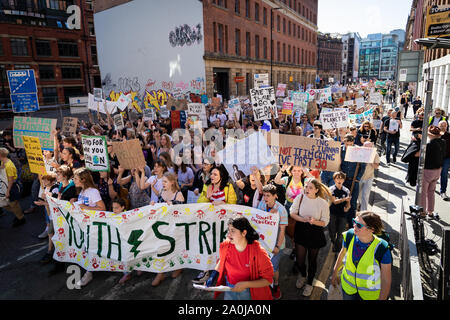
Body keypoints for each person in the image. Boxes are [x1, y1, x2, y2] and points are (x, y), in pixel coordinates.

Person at [207, 216, 274, 300]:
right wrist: (213, 275)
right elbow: (223, 260)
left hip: (250, 293)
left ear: (244, 233)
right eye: (229, 230)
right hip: (229, 288)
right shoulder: (225, 245)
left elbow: (268, 280)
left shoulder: (259, 253)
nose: (229, 234)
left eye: (233, 231)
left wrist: (245, 284)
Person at [331, 212, 392, 300]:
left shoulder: (382, 248)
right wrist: (334, 274)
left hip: (369, 295)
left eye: (359, 225)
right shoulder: (349, 235)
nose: (354, 226)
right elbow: (341, 255)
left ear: (371, 229)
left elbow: (386, 280)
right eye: (354, 222)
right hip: (348, 289)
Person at [193, 164, 237, 283]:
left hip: (224, 224)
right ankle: (206, 271)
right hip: (210, 222)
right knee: (209, 245)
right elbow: (200, 203)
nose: (212, 176)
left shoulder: (228, 187)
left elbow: (233, 203)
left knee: (224, 246)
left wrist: (223, 203)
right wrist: (207, 197)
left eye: (215, 174)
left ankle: (225, 271)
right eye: (211, 174)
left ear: (221, 177)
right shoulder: (207, 186)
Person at [289, 179, 331, 297]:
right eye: (306, 187)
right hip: (301, 230)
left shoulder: (323, 203)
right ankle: (303, 275)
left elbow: (325, 222)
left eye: (310, 187)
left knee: (312, 261)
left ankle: (309, 283)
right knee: (300, 260)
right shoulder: (300, 198)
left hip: (315, 233)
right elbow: (292, 213)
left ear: (317, 190)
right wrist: (304, 220)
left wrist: (314, 221)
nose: (307, 189)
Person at [72, 167, 106, 287]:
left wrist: (84, 208)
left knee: (91, 248)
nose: (73, 180)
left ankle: (89, 273)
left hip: (94, 226)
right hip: (85, 225)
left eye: (75, 178)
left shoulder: (93, 191)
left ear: (83, 179)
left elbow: (102, 208)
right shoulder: (82, 192)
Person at [149, 172, 184, 286]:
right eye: (162, 181)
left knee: (175, 248)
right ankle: (160, 273)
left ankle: (178, 267)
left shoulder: (178, 195)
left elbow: (184, 212)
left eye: (165, 181)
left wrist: (173, 204)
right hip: (162, 226)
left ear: (172, 182)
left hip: (175, 227)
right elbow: (159, 206)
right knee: (161, 248)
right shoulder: (161, 192)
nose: (162, 183)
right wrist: (154, 204)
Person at [256, 184, 288, 299]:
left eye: (268, 196)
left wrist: (278, 246)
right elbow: (257, 222)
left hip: (275, 244)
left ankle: (276, 285)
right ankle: (265, 286)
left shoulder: (282, 210)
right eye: (264, 195)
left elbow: (282, 230)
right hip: (263, 243)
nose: (265, 198)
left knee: (273, 268)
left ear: (275, 196)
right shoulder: (261, 204)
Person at [339, 135, 366, 226]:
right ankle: (342, 222)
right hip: (343, 180)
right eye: (346, 144)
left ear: (353, 143)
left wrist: (358, 178)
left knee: (353, 203)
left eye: (350, 144)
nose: (348, 147)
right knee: (342, 201)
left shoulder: (358, 150)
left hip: (354, 181)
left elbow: (363, 166)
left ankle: (351, 224)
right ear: (344, 142)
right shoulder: (340, 150)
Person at [421, 126, 446, 218]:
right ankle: (430, 211)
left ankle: (423, 212)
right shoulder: (443, 142)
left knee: (423, 192)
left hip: (428, 170)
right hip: (438, 170)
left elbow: (422, 156)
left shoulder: (429, 144)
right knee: (431, 191)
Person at [0, 147, 25, 227]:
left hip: (12, 187)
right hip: (6, 186)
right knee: (7, 204)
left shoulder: (9, 165)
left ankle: (21, 218)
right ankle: (18, 213)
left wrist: (8, 191)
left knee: (13, 204)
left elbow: (11, 180)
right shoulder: (4, 162)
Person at [328, 172, 351, 253]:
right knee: (332, 231)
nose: (339, 180)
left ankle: (338, 250)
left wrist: (347, 207)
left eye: (341, 178)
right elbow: (334, 201)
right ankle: (333, 243)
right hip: (332, 213)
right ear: (334, 179)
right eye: (337, 178)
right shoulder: (331, 189)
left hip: (343, 215)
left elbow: (349, 204)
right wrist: (344, 199)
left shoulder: (346, 190)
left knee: (341, 233)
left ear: (344, 180)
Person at [358, 141, 380, 211]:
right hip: (359, 177)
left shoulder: (375, 154)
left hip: (369, 177)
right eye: (366, 148)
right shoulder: (359, 152)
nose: (367, 149)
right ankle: (360, 204)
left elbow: (377, 166)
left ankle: (363, 212)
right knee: (358, 194)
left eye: (369, 148)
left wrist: (370, 162)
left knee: (365, 195)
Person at [439, 120, 450, 200]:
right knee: (433, 176)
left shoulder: (449, 135)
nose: (443, 127)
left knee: (444, 175)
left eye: (444, 125)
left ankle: (443, 191)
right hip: (436, 159)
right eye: (441, 125)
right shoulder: (435, 134)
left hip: (446, 158)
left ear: (447, 126)